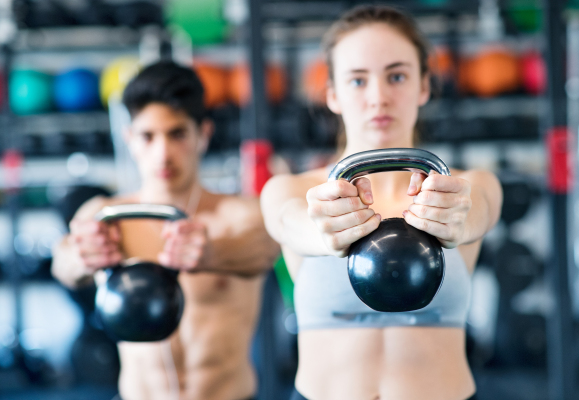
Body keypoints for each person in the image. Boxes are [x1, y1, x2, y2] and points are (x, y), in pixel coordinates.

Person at [261, 6, 502, 400]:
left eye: (397, 76)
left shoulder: (465, 189)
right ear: (333, 94)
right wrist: (325, 232)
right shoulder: (291, 191)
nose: (378, 97)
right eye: (358, 80)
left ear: (424, 85)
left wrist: (457, 222)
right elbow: (292, 222)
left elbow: (477, 212)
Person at [52, 61, 279, 400]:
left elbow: (263, 250)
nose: (162, 153)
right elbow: (63, 262)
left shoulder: (236, 213)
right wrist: (83, 257)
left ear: (203, 134)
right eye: (148, 136)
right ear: (130, 139)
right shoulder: (106, 215)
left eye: (177, 134)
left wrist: (212, 253)